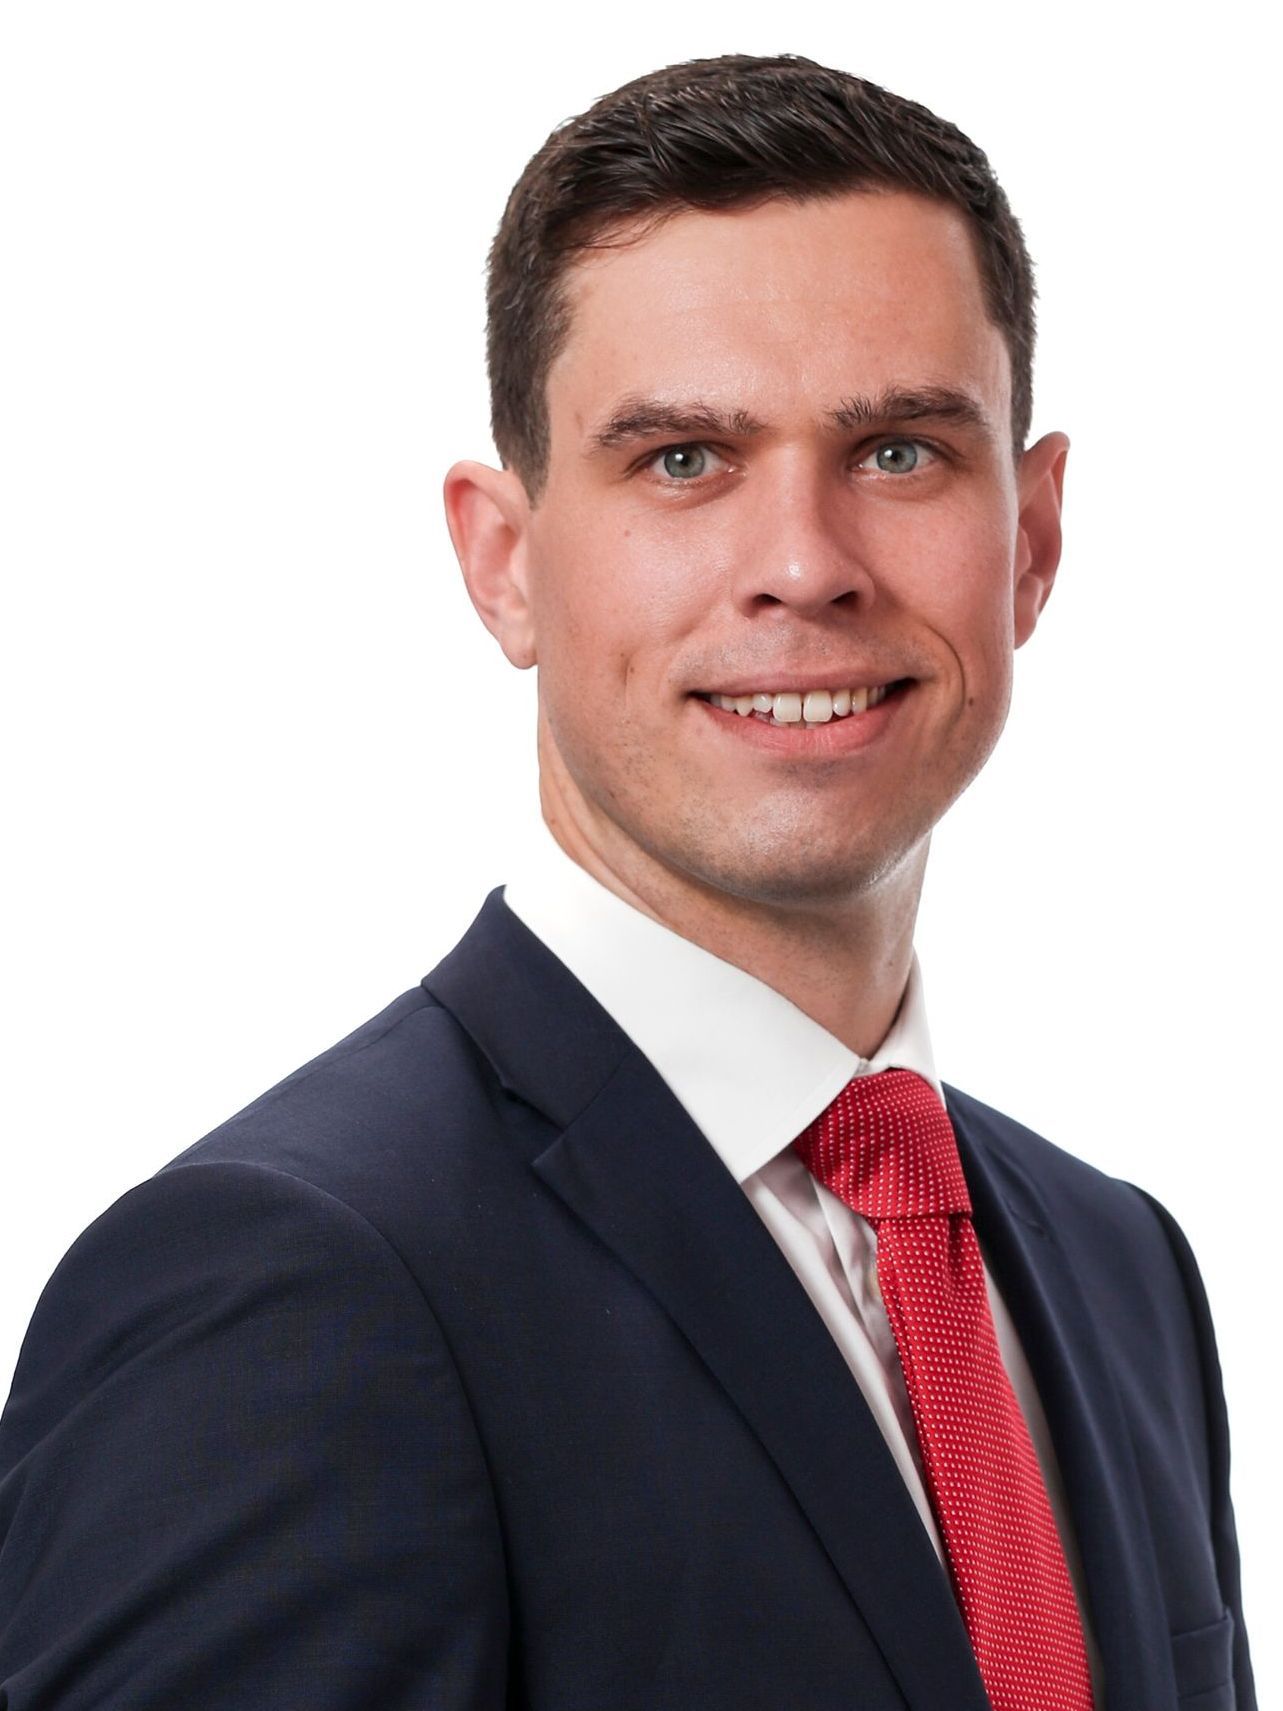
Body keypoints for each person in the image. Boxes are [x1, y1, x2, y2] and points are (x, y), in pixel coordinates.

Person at [0, 51, 1254, 1711]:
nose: (803, 565)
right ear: (503, 562)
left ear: (1032, 542)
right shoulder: (288, 1292)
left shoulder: (1120, 1271)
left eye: (898, 452)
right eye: (683, 460)